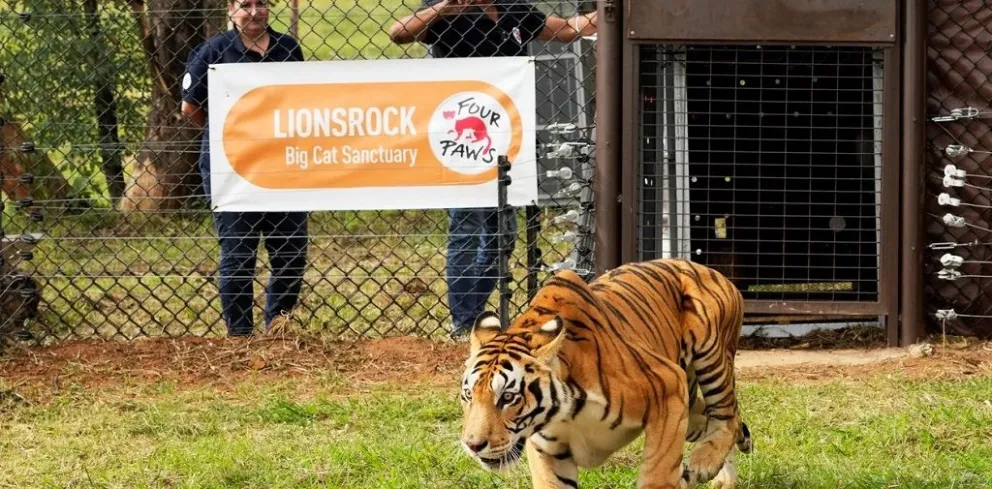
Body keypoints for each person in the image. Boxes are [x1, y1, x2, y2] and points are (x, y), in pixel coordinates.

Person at [388, 0, 597, 339]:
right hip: (460, 139)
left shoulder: (513, 9)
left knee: (502, 232)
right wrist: (445, 8)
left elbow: (567, 29)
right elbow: (399, 32)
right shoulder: (446, 11)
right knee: (467, 225)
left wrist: (614, 12)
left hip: (505, 137)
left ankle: (475, 314)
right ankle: (464, 322)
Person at [181, 0, 309, 337]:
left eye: (261, 3)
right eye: (245, 4)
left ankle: (278, 328)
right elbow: (190, 107)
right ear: (230, 8)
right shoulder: (213, 51)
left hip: (282, 163)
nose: (254, 11)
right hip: (231, 168)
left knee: (291, 251)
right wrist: (229, 135)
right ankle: (240, 336)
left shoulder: (287, 48)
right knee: (238, 252)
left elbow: (300, 100)